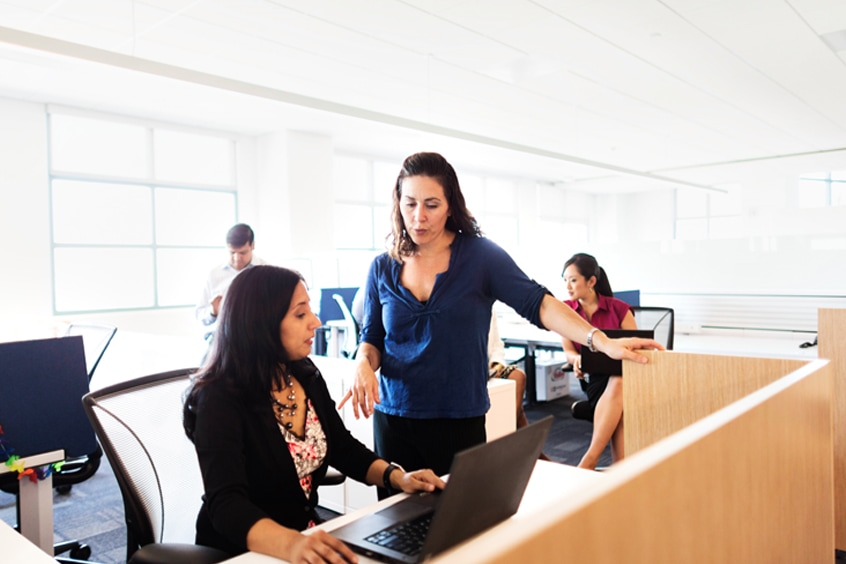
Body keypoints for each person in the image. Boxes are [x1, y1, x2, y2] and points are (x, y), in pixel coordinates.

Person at [338, 152, 661, 480]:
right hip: (394, 420)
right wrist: (363, 362)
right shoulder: (382, 267)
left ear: (450, 205)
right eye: (409, 204)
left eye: (431, 205)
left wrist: (599, 340)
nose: (418, 216)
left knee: (461, 526)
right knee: (396, 526)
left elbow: (539, 303)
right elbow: (373, 339)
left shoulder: (480, 257)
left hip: (458, 420)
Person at [183, 265, 444, 562]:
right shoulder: (219, 398)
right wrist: (291, 544)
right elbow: (226, 505)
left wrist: (398, 477)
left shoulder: (304, 373)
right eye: (300, 314)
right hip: (245, 552)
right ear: (261, 323)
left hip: (304, 541)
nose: (316, 322)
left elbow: (342, 448)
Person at [560, 253, 636, 470]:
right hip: (594, 379)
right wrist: (576, 360)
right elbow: (568, 351)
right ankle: (617, 469)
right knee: (619, 400)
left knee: (619, 382)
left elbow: (636, 347)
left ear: (591, 281)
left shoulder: (619, 309)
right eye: (565, 280)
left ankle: (590, 461)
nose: (568, 286)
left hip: (627, 376)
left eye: (573, 280)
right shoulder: (565, 311)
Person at [194, 223, 265, 342]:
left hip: (256, 339)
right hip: (220, 340)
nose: (237, 258)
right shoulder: (214, 274)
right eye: (232, 252)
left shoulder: (266, 272)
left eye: (242, 253)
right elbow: (200, 316)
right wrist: (213, 312)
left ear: (252, 246)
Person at [487, 310, 530, 430]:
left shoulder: (490, 308)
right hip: (474, 371)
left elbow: (497, 344)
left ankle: (509, 427)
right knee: (518, 410)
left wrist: (496, 366)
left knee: (518, 376)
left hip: (491, 368)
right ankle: (510, 430)